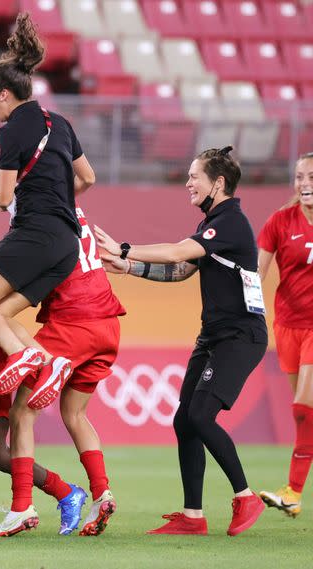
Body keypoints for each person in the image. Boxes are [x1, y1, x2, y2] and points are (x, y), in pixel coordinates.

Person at [95, 146, 268, 537]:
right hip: (214, 337)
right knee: (184, 419)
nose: (188, 182)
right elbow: (178, 271)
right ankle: (193, 516)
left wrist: (123, 247)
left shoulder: (230, 222)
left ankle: (245, 496)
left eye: (194, 176)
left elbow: (176, 251)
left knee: (200, 416)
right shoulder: (217, 223)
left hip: (241, 337)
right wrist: (128, 267)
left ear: (218, 183)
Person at [0, 13, 95, 420]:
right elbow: (87, 177)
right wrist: (56, 198)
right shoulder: (60, 121)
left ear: (4, 94)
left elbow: (2, 199)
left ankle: (20, 354)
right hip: (66, 244)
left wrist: (23, 200)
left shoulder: (12, 129)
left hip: (34, 233)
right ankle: (45, 361)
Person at [8, 205, 125, 538]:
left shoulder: (41, 212)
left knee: (21, 413)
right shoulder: (73, 207)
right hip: (108, 322)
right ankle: (102, 491)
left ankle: (21, 507)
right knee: (75, 414)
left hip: (73, 321)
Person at [257, 152, 313, 517]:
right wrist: (247, 313)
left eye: (312, 175)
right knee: (306, 411)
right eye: (299, 176)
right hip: (286, 326)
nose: (305, 182)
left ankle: (293, 491)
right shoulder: (279, 221)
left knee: (303, 410)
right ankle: (293, 494)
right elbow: (256, 274)